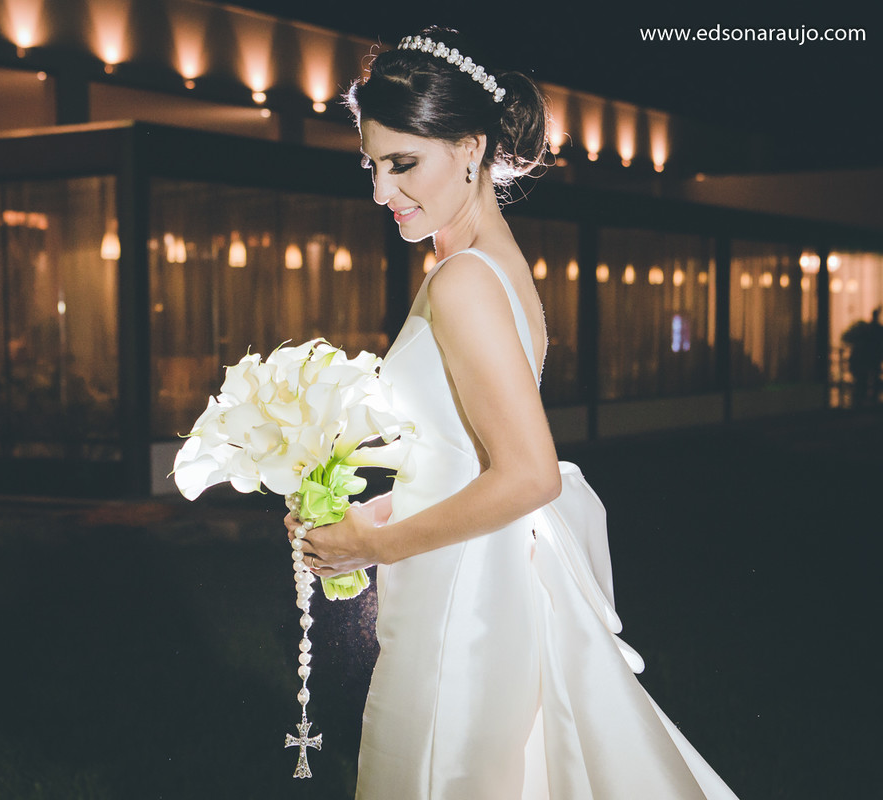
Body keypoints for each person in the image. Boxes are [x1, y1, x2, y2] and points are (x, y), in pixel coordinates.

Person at [285, 27, 739, 799]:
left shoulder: (464, 280)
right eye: (372, 165)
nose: (380, 192)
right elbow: (463, 455)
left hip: (461, 602)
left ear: (469, 147)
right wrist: (369, 513)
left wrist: (373, 544)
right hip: (468, 578)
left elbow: (528, 473)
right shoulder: (491, 263)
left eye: (403, 164)